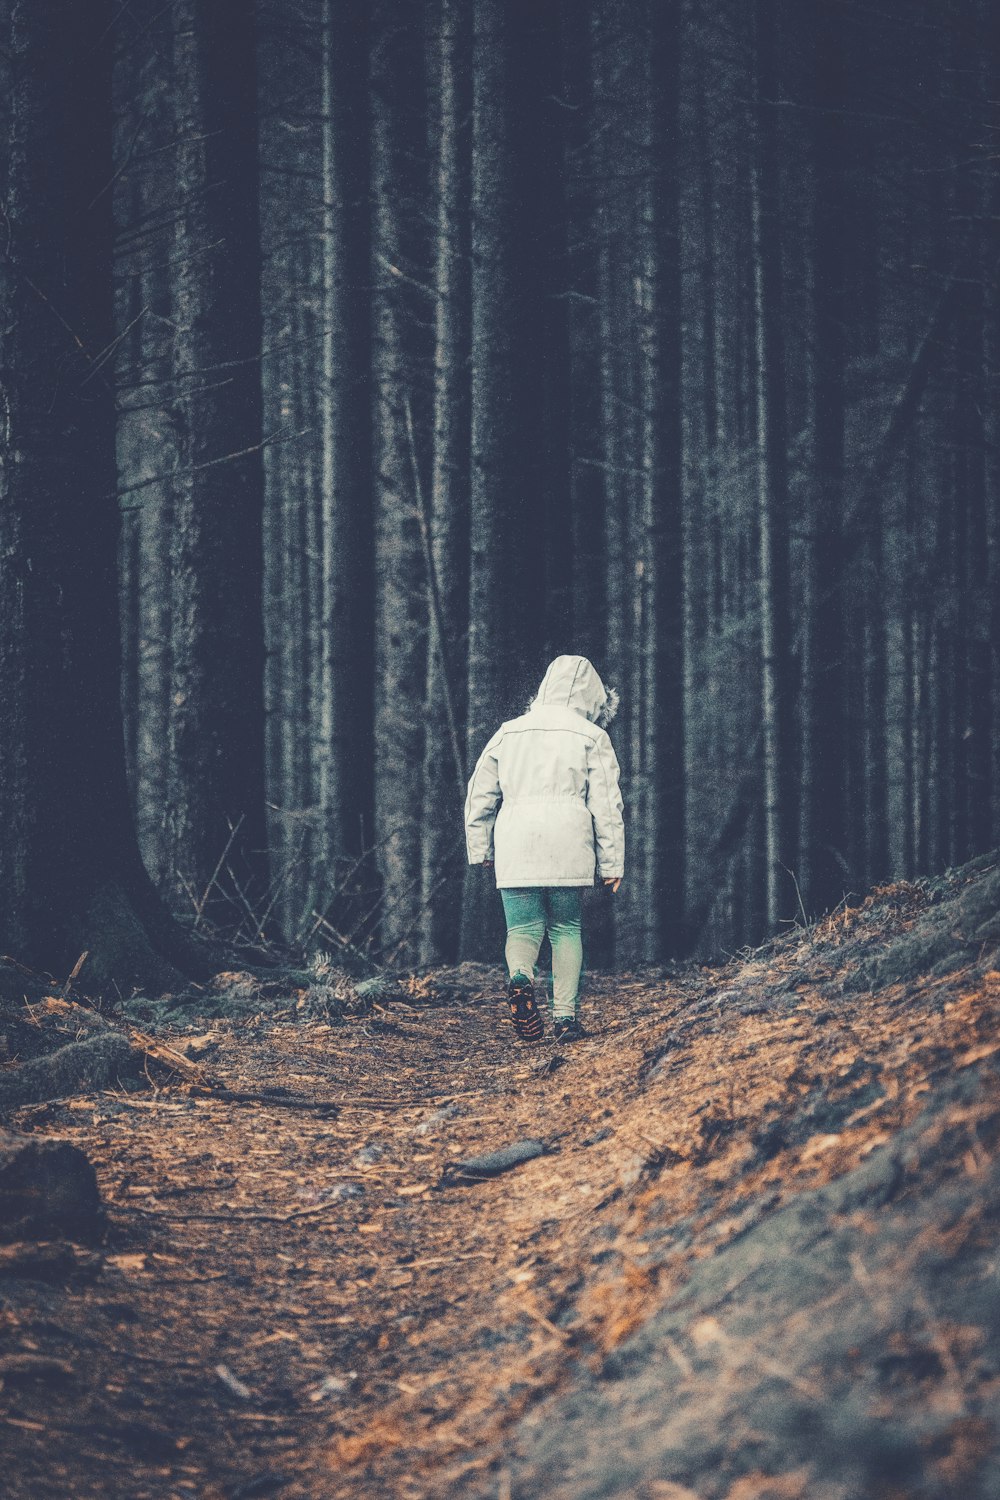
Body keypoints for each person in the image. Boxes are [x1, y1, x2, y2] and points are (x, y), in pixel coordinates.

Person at [464, 655, 625, 1044]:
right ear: (593, 698)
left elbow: (479, 795)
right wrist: (612, 860)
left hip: (516, 841)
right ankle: (565, 1018)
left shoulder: (508, 732)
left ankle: (520, 977)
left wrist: (480, 846)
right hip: (568, 842)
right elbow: (607, 804)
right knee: (566, 929)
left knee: (522, 928)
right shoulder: (591, 736)